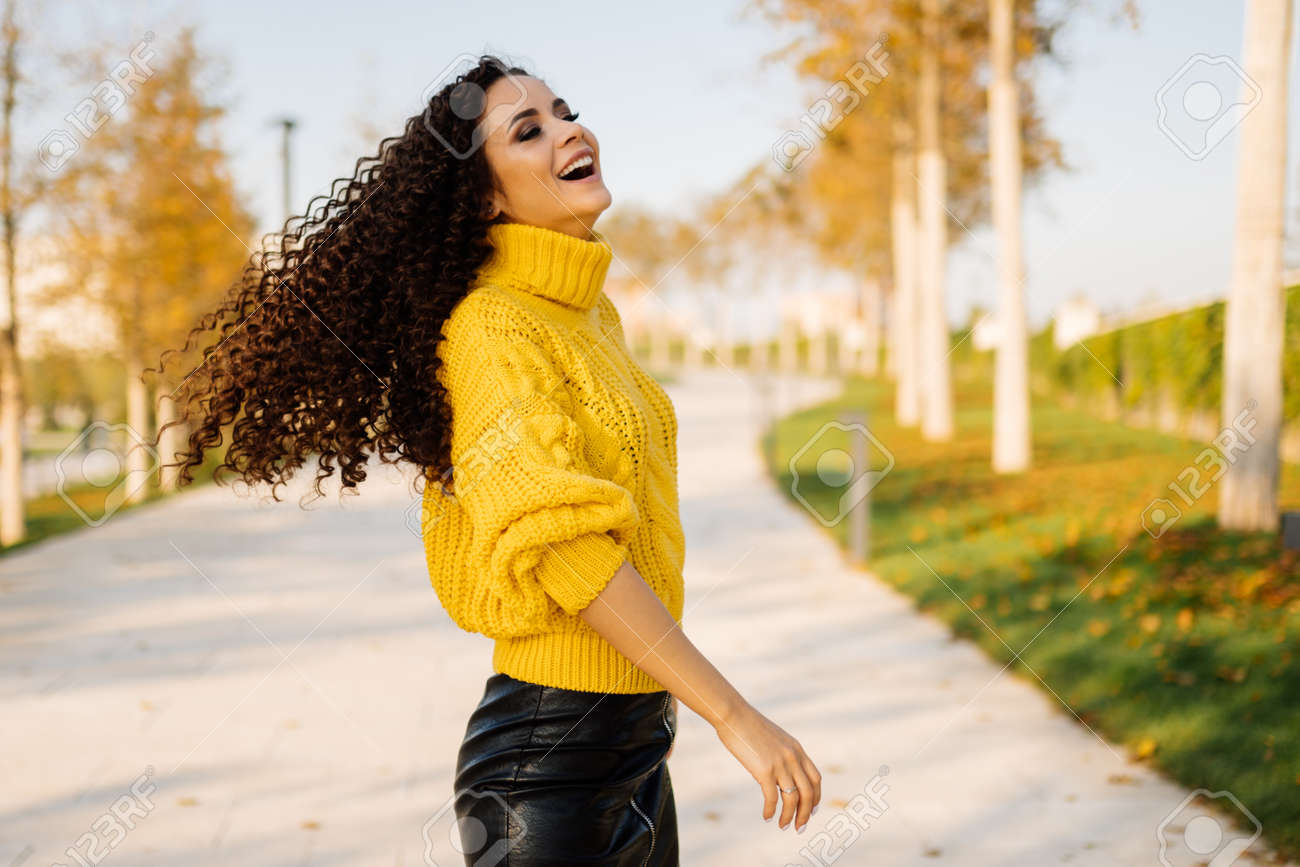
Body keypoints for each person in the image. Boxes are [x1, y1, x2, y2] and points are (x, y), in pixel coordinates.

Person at [151, 54, 820, 867]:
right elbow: (565, 546)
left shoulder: (588, 315)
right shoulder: (491, 329)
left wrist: (670, 707)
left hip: (638, 747)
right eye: (528, 131)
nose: (569, 132)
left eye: (564, 111)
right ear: (484, 198)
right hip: (546, 774)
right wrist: (733, 713)